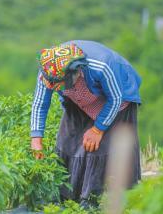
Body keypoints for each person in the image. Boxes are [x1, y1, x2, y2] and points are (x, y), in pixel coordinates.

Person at [30, 40, 141, 208]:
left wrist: (98, 129)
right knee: (67, 141)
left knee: (100, 147)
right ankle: (67, 198)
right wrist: (36, 139)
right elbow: (40, 103)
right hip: (78, 99)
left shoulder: (102, 66)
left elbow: (116, 98)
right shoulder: (49, 70)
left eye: (56, 84)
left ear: (74, 74)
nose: (51, 87)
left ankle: (94, 201)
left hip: (116, 97)